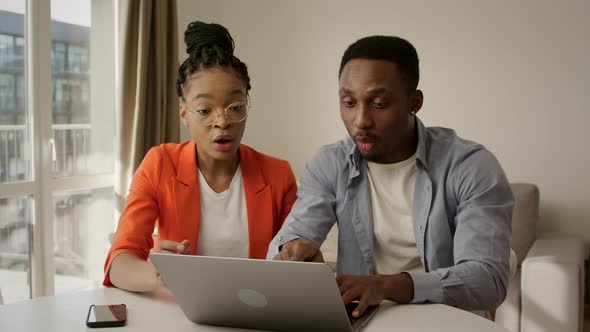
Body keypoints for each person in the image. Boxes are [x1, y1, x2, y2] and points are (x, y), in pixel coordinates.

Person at [268, 35, 514, 319]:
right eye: (349, 102)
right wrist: (292, 250)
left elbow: (488, 280)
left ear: (414, 102)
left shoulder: (470, 165)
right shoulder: (330, 163)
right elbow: (295, 233)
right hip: (362, 320)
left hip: (448, 320)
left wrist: (387, 286)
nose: (360, 120)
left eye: (380, 103)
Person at [104, 22, 297, 292]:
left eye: (236, 107)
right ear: (184, 113)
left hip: (256, 312)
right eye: (205, 110)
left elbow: (297, 261)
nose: (222, 121)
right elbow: (119, 262)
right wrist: (160, 275)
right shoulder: (160, 164)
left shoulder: (278, 175)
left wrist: (300, 257)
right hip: (180, 313)